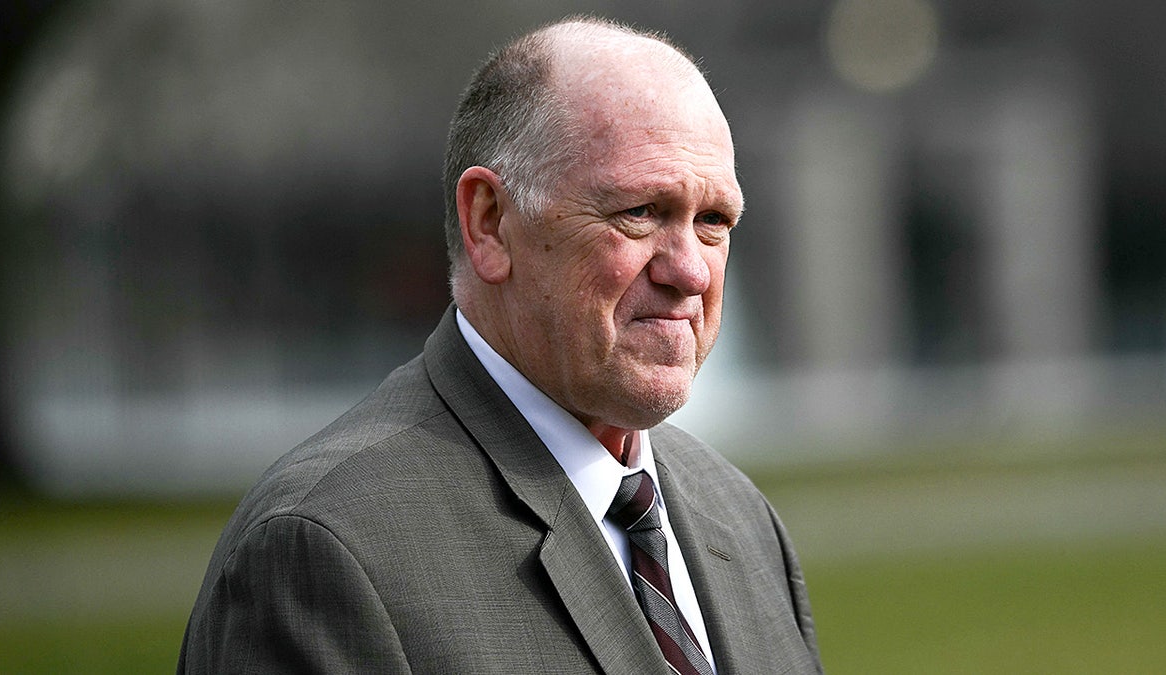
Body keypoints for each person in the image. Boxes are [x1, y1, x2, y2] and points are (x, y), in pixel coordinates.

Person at [179, 16, 822, 674]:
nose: (690, 271)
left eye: (713, 220)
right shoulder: (325, 551)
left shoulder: (740, 518)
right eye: (639, 212)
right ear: (489, 223)